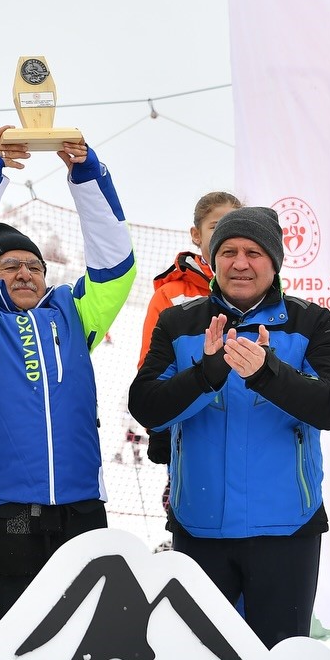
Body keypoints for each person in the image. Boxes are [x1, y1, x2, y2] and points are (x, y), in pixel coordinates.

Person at [0, 126, 135, 640]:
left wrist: (87, 175)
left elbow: (115, 264)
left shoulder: (73, 313)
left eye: (34, 266)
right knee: (1, 653)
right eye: (8, 265)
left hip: (80, 506)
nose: (25, 274)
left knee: (87, 649)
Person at [130, 207, 330, 648]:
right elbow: (148, 408)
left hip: (286, 531)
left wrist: (268, 374)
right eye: (228, 251)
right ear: (213, 259)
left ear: (274, 262)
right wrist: (205, 375)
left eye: (254, 252)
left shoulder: (310, 322)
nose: (240, 262)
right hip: (200, 529)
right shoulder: (179, 323)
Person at [136, 190, 242, 515]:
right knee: (195, 513)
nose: (226, 233)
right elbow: (150, 369)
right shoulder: (171, 295)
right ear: (196, 235)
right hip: (193, 429)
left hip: (244, 427)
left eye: (235, 224)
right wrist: (159, 429)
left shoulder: (255, 288)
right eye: (215, 226)